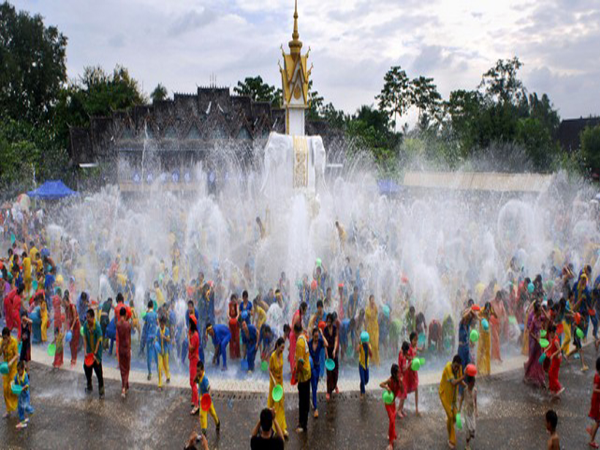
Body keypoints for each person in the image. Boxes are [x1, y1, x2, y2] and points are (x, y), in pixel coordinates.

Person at [439, 355, 465, 450]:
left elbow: (460, 381)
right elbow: (453, 382)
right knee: (450, 416)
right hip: (445, 396)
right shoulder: (448, 368)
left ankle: (449, 425)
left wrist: (467, 387)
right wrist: (464, 376)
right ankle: (451, 440)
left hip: (453, 396)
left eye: (458, 367)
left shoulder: (459, 368)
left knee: (454, 417)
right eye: (455, 366)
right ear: (452, 363)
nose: (457, 369)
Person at [379, 364, 404, 450]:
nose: (399, 374)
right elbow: (380, 384)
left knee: (392, 421)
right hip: (388, 404)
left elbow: (402, 391)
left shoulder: (399, 381)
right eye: (398, 373)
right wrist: (386, 387)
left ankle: (390, 434)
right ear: (394, 373)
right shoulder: (390, 380)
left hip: (393, 404)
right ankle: (390, 444)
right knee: (392, 420)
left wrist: (401, 383)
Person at [268, 337, 288, 438]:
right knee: (275, 406)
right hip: (274, 384)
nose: (282, 349)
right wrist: (274, 381)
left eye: (284, 347)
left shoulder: (281, 355)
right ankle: (274, 428)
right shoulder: (272, 356)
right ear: (277, 346)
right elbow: (270, 370)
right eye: (281, 347)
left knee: (281, 404)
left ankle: (282, 427)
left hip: (280, 382)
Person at [83, 308, 104, 398]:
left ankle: (101, 391)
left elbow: (99, 340)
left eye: (88, 317)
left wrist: (95, 354)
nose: (87, 319)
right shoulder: (85, 325)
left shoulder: (97, 326)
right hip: (89, 351)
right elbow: (84, 338)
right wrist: (85, 351)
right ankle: (89, 386)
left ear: (93, 317)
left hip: (97, 352)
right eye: (86, 317)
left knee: (98, 371)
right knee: (86, 368)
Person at [524, 302, 547, 387]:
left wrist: (543, 310)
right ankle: (526, 374)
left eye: (541, 310)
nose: (541, 312)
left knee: (540, 359)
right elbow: (530, 331)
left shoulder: (541, 317)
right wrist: (536, 338)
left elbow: (547, 318)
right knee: (532, 358)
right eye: (540, 310)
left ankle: (541, 378)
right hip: (534, 342)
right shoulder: (533, 319)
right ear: (536, 311)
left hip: (539, 342)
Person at [294, 321, 311, 433]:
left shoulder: (300, 342)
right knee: (305, 399)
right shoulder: (304, 337)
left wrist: (296, 374)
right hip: (307, 373)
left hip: (303, 375)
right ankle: (304, 422)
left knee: (303, 401)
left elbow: (300, 362)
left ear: (295, 331)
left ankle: (302, 424)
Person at [195, 360, 220, 436]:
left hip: (207, 400)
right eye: (197, 371)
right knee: (202, 415)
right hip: (202, 400)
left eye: (199, 371)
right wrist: (196, 377)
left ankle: (217, 422)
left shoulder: (205, 379)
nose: (198, 372)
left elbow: (209, 388)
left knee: (213, 413)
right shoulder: (199, 377)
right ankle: (204, 431)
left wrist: (208, 396)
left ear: (203, 370)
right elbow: (195, 381)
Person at [309, 326, 327, 418]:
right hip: (311, 367)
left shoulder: (320, 342)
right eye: (315, 336)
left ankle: (313, 401)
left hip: (317, 366)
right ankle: (315, 408)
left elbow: (326, 344)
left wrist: (322, 334)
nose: (316, 338)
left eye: (317, 336)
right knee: (314, 386)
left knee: (315, 386)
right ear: (312, 336)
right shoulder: (309, 343)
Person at [1, 327, 19, 417]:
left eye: (6, 338)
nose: (5, 339)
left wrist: (11, 362)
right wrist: (2, 346)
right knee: (5, 389)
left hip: (13, 368)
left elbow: (17, 355)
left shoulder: (14, 341)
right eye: (3, 338)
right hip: (5, 369)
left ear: (9, 336)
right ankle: (8, 410)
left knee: (11, 388)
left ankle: (17, 404)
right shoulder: (2, 342)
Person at [459, 374, 477, 450]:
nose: (473, 385)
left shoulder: (475, 390)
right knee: (468, 430)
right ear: (468, 383)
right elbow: (461, 400)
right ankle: (467, 445)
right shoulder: (465, 390)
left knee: (473, 429)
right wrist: (459, 410)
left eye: (474, 384)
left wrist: (476, 410)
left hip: (472, 412)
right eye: (472, 384)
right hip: (466, 412)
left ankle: (471, 434)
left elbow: (475, 400)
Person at [14, 360, 34, 429]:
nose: (18, 372)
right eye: (17, 370)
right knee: (20, 407)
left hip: (25, 394)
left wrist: (23, 388)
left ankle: (31, 410)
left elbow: (27, 385)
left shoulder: (25, 376)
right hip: (20, 395)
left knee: (25, 406)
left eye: (19, 370)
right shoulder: (17, 376)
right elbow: (15, 381)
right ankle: (22, 419)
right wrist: (13, 384)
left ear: (23, 369)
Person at [116, 306, 131, 397]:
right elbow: (129, 337)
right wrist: (130, 348)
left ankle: (126, 385)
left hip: (120, 349)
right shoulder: (128, 325)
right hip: (126, 348)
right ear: (125, 314)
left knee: (122, 369)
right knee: (127, 368)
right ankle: (123, 388)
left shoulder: (118, 324)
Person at [324, 313, 339, 399]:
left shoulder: (335, 328)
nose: (328, 322)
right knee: (329, 373)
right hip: (328, 353)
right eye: (327, 321)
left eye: (329, 321)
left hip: (334, 352)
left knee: (335, 372)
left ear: (332, 321)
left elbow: (336, 340)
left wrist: (334, 350)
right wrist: (326, 355)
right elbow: (325, 344)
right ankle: (328, 391)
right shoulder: (325, 330)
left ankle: (335, 385)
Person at [546, 324, 564, 397]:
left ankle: (559, 387)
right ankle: (552, 388)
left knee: (551, 373)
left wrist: (553, 354)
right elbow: (551, 345)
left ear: (552, 332)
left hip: (556, 359)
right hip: (555, 359)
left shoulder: (556, 340)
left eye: (550, 333)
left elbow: (560, 349)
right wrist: (546, 349)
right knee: (554, 374)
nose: (549, 335)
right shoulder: (554, 337)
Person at [405, 331, 420, 415]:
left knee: (416, 388)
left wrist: (421, 349)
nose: (416, 342)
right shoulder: (409, 348)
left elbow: (417, 349)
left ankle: (416, 408)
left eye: (417, 340)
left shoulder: (415, 347)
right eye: (414, 340)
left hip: (414, 371)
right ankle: (400, 402)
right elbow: (406, 356)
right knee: (407, 390)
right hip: (409, 371)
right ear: (411, 340)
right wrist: (412, 358)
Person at [477, 302, 494, 376]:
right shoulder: (481, 310)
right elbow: (477, 316)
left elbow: (495, 315)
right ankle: (479, 368)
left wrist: (490, 315)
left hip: (487, 333)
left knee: (487, 351)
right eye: (486, 309)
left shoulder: (490, 310)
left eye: (488, 309)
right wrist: (481, 318)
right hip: (481, 334)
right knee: (481, 351)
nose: (487, 310)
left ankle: (487, 369)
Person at [64, 293, 80, 367]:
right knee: (70, 343)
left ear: (68, 301)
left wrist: (72, 327)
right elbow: (66, 319)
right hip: (70, 326)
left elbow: (74, 318)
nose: (64, 304)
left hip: (76, 326)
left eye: (65, 302)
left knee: (75, 343)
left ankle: (74, 359)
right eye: (63, 303)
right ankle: (72, 357)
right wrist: (65, 328)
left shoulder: (72, 307)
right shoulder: (66, 309)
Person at [144, 300, 158, 381]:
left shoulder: (147, 314)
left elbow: (144, 321)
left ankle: (149, 373)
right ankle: (159, 371)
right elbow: (157, 323)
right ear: (152, 306)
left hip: (148, 337)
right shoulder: (155, 314)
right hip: (155, 337)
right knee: (156, 354)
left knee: (149, 355)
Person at [189, 317, 201, 415]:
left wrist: (188, 339)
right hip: (192, 359)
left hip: (194, 360)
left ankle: (197, 405)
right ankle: (193, 400)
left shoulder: (195, 336)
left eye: (189, 323)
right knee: (191, 381)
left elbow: (191, 348)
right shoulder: (192, 333)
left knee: (193, 382)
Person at [588, 357, 600, 448]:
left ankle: (591, 430)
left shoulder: (598, 375)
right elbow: (594, 389)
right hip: (596, 401)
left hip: (597, 400)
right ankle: (592, 441)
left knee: (597, 419)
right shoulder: (597, 377)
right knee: (598, 421)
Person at [365, 295, 380, 366]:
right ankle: (372, 360)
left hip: (375, 328)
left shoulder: (375, 307)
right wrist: (365, 330)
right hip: (370, 329)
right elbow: (367, 319)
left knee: (376, 345)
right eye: (372, 300)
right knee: (371, 345)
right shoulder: (367, 309)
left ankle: (377, 361)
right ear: (369, 300)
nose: (373, 301)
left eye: (373, 299)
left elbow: (376, 315)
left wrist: (374, 307)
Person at [156, 316, 171, 389]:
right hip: (160, 351)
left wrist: (164, 337)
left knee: (166, 366)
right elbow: (156, 339)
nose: (161, 325)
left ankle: (168, 376)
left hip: (165, 351)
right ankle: (160, 383)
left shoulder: (167, 330)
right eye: (160, 324)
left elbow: (169, 340)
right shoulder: (158, 330)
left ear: (164, 324)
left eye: (162, 324)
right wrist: (155, 342)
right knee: (159, 367)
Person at [358, 331, 372, 399]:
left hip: (366, 365)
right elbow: (357, 350)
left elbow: (371, 355)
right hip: (361, 364)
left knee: (367, 380)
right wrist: (359, 343)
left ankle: (362, 385)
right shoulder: (360, 345)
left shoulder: (369, 346)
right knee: (362, 380)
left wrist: (368, 346)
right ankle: (362, 393)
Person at [228, 294, 240, 360]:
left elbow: (238, 313)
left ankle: (237, 354)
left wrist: (236, 318)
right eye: (232, 300)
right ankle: (232, 355)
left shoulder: (237, 305)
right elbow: (228, 313)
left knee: (237, 338)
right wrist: (229, 317)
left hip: (236, 323)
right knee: (231, 338)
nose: (233, 301)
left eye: (234, 300)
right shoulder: (229, 305)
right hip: (231, 323)